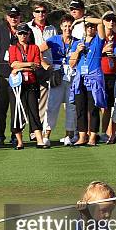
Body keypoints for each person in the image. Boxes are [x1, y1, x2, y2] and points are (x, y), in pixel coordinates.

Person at [8, 23, 48, 149]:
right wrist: (27, 65)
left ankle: (39, 140)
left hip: (31, 82)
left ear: (29, 34)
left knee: (33, 111)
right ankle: (19, 141)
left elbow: (36, 65)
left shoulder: (34, 48)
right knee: (17, 111)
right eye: (20, 33)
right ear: (16, 34)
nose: (22, 35)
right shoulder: (13, 48)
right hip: (17, 84)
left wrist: (23, 65)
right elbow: (13, 64)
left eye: (25, 33)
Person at [38, 15, 76, 146]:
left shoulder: (77, 42)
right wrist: (46, 65)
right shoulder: (54, 40)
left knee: (71, 107)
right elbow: (38, 51)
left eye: (70, 26)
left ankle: (68, 135)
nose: (68, 29)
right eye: (65, 26)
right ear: (61, 27)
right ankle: (46, 135)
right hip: (57, 75)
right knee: (52, 106)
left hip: (72, 76)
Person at [68, 16, 107, 146]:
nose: (90, 28)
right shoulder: (77, 43)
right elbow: (72, 64)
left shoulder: (98, 41)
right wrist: (78, 51)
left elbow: (101, 22)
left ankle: (92, 137)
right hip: (80, 79)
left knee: (93, 108)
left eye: (92, 26)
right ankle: (82, 136)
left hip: (94, 78)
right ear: (84, 29)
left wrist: (82, 19)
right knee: (80, 108)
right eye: (88, 26)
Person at [0, 5, 21, 145]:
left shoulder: (24, 31)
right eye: (11, 16)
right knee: (1, 106)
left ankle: (16, 135)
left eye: (15, 16)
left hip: (18, 74)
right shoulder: (0, 30)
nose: (13, 19)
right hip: (1, 74)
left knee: (17, 106)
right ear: (6, 17)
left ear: (19, 17)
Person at [28, 2, 57, 144]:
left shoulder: (52, 28)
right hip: (32, 67)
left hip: (47, 68)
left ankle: (39, 131)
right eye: (38, 11)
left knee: (44, 102)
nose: (41, 14)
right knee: (31, 100)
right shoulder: (27, 27)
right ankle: (31, 130)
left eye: (43, 11)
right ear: (33, 13)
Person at [99, 11, 116, 142]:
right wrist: (104, 50)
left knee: (111, 105)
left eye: (113, 19)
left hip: (114, 74)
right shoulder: (99, 38)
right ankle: (98, 132)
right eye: (108, 19)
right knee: (100, 105)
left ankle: (108, 132)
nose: (111, 22)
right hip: (100, 74)